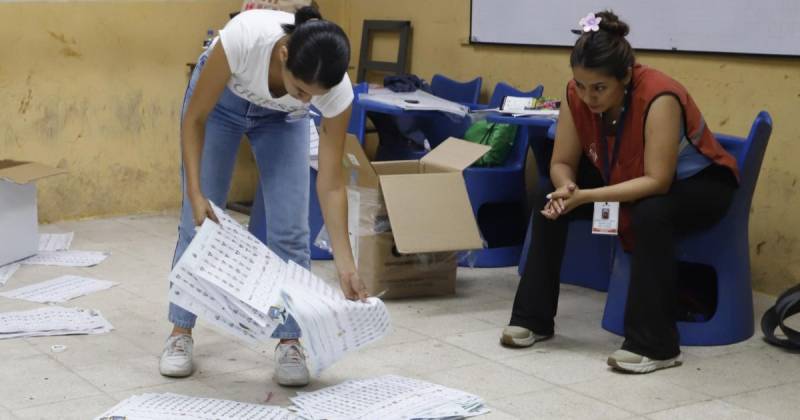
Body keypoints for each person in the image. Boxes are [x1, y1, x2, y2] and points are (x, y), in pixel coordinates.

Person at [501, 11, 739, 373]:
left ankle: (655, 345)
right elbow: (562, 160)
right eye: (581, 86)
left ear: (625, 77)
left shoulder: (659, 97)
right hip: (625, 176)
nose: (588, 97)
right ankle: (532, 319)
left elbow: (658, 181)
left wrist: (587, 197)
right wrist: (567, 188)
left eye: (599, 88)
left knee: (651, 213)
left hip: (699, 186)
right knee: (549, 194)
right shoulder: (576, 95)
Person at [159, 6, 367, 386]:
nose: (307, 100)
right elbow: (195, 119)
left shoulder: (333, 92)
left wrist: (346, 263)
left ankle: (290, 340)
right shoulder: (245, 37)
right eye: (301, 90)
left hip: (281, 123)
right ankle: (180, 332)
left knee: (291, 231)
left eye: (314, 97)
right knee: (201, 222)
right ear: (284, 54)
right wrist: (195, 193)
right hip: (221, 108)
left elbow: (332, 182)